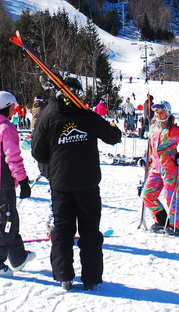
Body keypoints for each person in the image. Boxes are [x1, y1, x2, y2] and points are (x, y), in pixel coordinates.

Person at [31, 76, 122, 291]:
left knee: (63, 230)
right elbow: (113, 135)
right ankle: (89, 278)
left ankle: (65, 275)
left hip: (62, 183)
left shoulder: (47, 117)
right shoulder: (85, 116)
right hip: (86, 183)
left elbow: (37, 151)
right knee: (88, 230)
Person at [0, 91, 35, 277]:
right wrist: (23, 181)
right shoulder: (5, 128)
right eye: (13, 107)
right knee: (6, 223)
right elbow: (13, 157)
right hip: (2, 182)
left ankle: (18, 257)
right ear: (6, 106)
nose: (15, 111)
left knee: (11, 220)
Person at [141, 101, 179, 235]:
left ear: (168, 112)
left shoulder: (173, 130)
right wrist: (145, 158)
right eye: (157, 112)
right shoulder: (153, 127)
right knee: (147, 194)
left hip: (169, 169)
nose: (159, 115)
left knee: (171, 197)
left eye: (162, 112)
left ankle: (176, 226)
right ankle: (161, 221)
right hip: (155, 168)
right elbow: (150, 146)